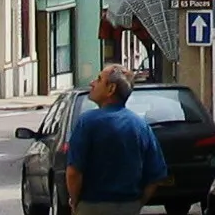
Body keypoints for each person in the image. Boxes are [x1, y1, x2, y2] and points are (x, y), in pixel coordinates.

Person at [66, 64, 168, 215]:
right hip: (128, 205)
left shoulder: (87, 122)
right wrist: (138, 203)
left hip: (92, 205)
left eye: (99, 79)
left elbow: (73, 171)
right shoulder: (140, 125)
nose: (92, 83)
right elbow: (156, 175)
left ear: (111, 89)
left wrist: (75, 201)